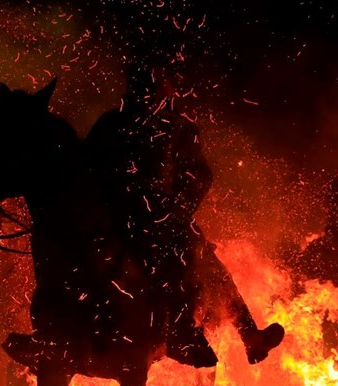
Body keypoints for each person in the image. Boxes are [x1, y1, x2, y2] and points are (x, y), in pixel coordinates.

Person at [84, 60, 284, 367]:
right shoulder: (112, 125)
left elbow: (200, 175)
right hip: (113, 216)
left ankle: (224, 334)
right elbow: (85, 169)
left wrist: (177, 209)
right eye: (145, 87)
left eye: (150, 87)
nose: (149, 94)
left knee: (200, 259)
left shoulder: (173, 127)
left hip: (159, 218)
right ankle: (53, 334)